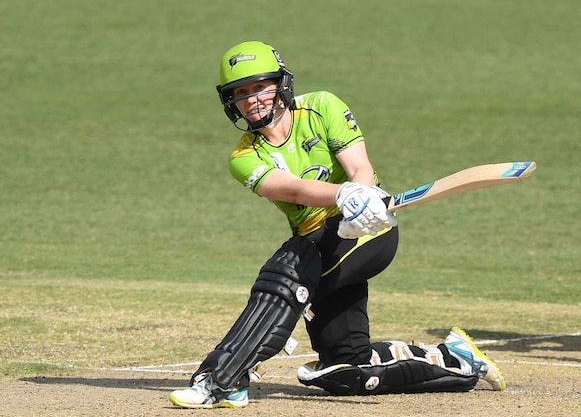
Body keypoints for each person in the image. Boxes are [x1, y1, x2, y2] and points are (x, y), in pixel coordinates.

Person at [169, 41, 505, 409]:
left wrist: (361, 198)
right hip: (319, 243)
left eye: (260, 87)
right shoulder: (244, 157)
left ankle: (222, 380)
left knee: (284, 275)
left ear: (280, 84)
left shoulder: (322, 106)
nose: (252, 99)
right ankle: (455, 359)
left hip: (368, 230)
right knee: (345, 367)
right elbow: (293, 187)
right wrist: (343, 194)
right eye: (241, 93)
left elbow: (359, 166)